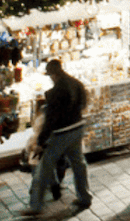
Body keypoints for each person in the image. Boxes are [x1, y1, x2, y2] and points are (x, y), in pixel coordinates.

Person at [22, 60, 92, 216]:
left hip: (61, 134)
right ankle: (85, 196)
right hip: (77, 127)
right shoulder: (77, 83)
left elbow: (51, 120)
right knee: (78, 164)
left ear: (53, 75)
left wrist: (40, 142)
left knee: (43, 168)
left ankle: (35, 206)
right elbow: (84, 103)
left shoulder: (54, 93)